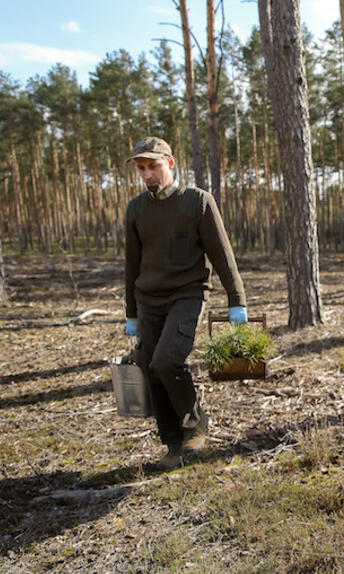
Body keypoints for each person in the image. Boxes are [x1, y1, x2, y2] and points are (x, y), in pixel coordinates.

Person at [124, 137, 248, 471]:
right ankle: (173, 445)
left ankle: (196, 421)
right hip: (148, 300)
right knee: (150, 369)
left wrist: (237, 301)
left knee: (166, 362)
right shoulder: (136, 209)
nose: (148, 174)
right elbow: (131, 265)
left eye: (153, 166)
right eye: (142, 168)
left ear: (171, 163)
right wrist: (131, 314)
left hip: (187, 296)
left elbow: (222, 255)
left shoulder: (197, 202)